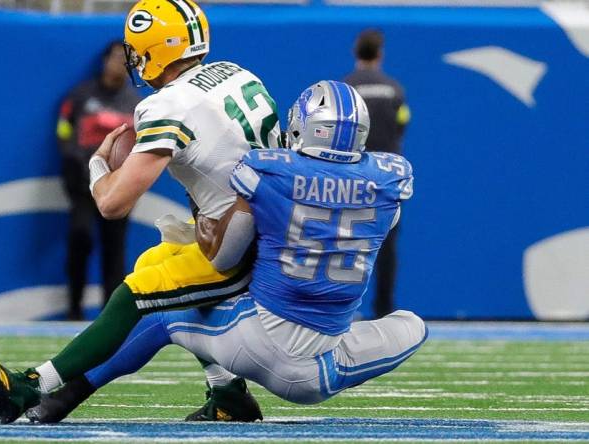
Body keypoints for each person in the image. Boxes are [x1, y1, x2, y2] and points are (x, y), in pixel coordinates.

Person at [25, 81, 426, 423]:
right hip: (322, 368)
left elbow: (224, 257)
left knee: (172, 309)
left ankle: (62, 394)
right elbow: (374, 220)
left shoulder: (269, 172)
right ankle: (229, 399)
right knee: (413, 325)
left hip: (257, 339)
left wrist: (204, 225)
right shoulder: (390, 180)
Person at [0, 0, 282, 424]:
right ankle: (228, 392)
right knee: (157, 262)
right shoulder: (235, 73)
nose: (135, 61)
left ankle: (33, 384)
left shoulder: (168, 105)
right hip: (268, 222)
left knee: (137, 294)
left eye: (139, 50)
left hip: (240, 243)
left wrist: (98, 166)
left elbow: (112, 204)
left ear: (157, 49)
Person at [57, 40, 141, 320]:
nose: (120, 63)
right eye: (116, 57)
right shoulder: (82, 95)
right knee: (80, 237)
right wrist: (76, 163)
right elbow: (64, 128)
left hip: (119, 184)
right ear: (104, 60)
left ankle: (109, 315)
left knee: (114, 249)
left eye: (126, 58)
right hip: (83, 184)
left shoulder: (136, 104)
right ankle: (74, 307)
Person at [344, 29, 411, 318]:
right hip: (386, 179)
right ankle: (384, 310)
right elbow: (402, 125)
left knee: (343, 244)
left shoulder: (345, 89)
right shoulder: (394, 89)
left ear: (356, 53)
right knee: (386, 247)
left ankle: (341, 308)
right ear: (380, 54)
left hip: (350, 177)